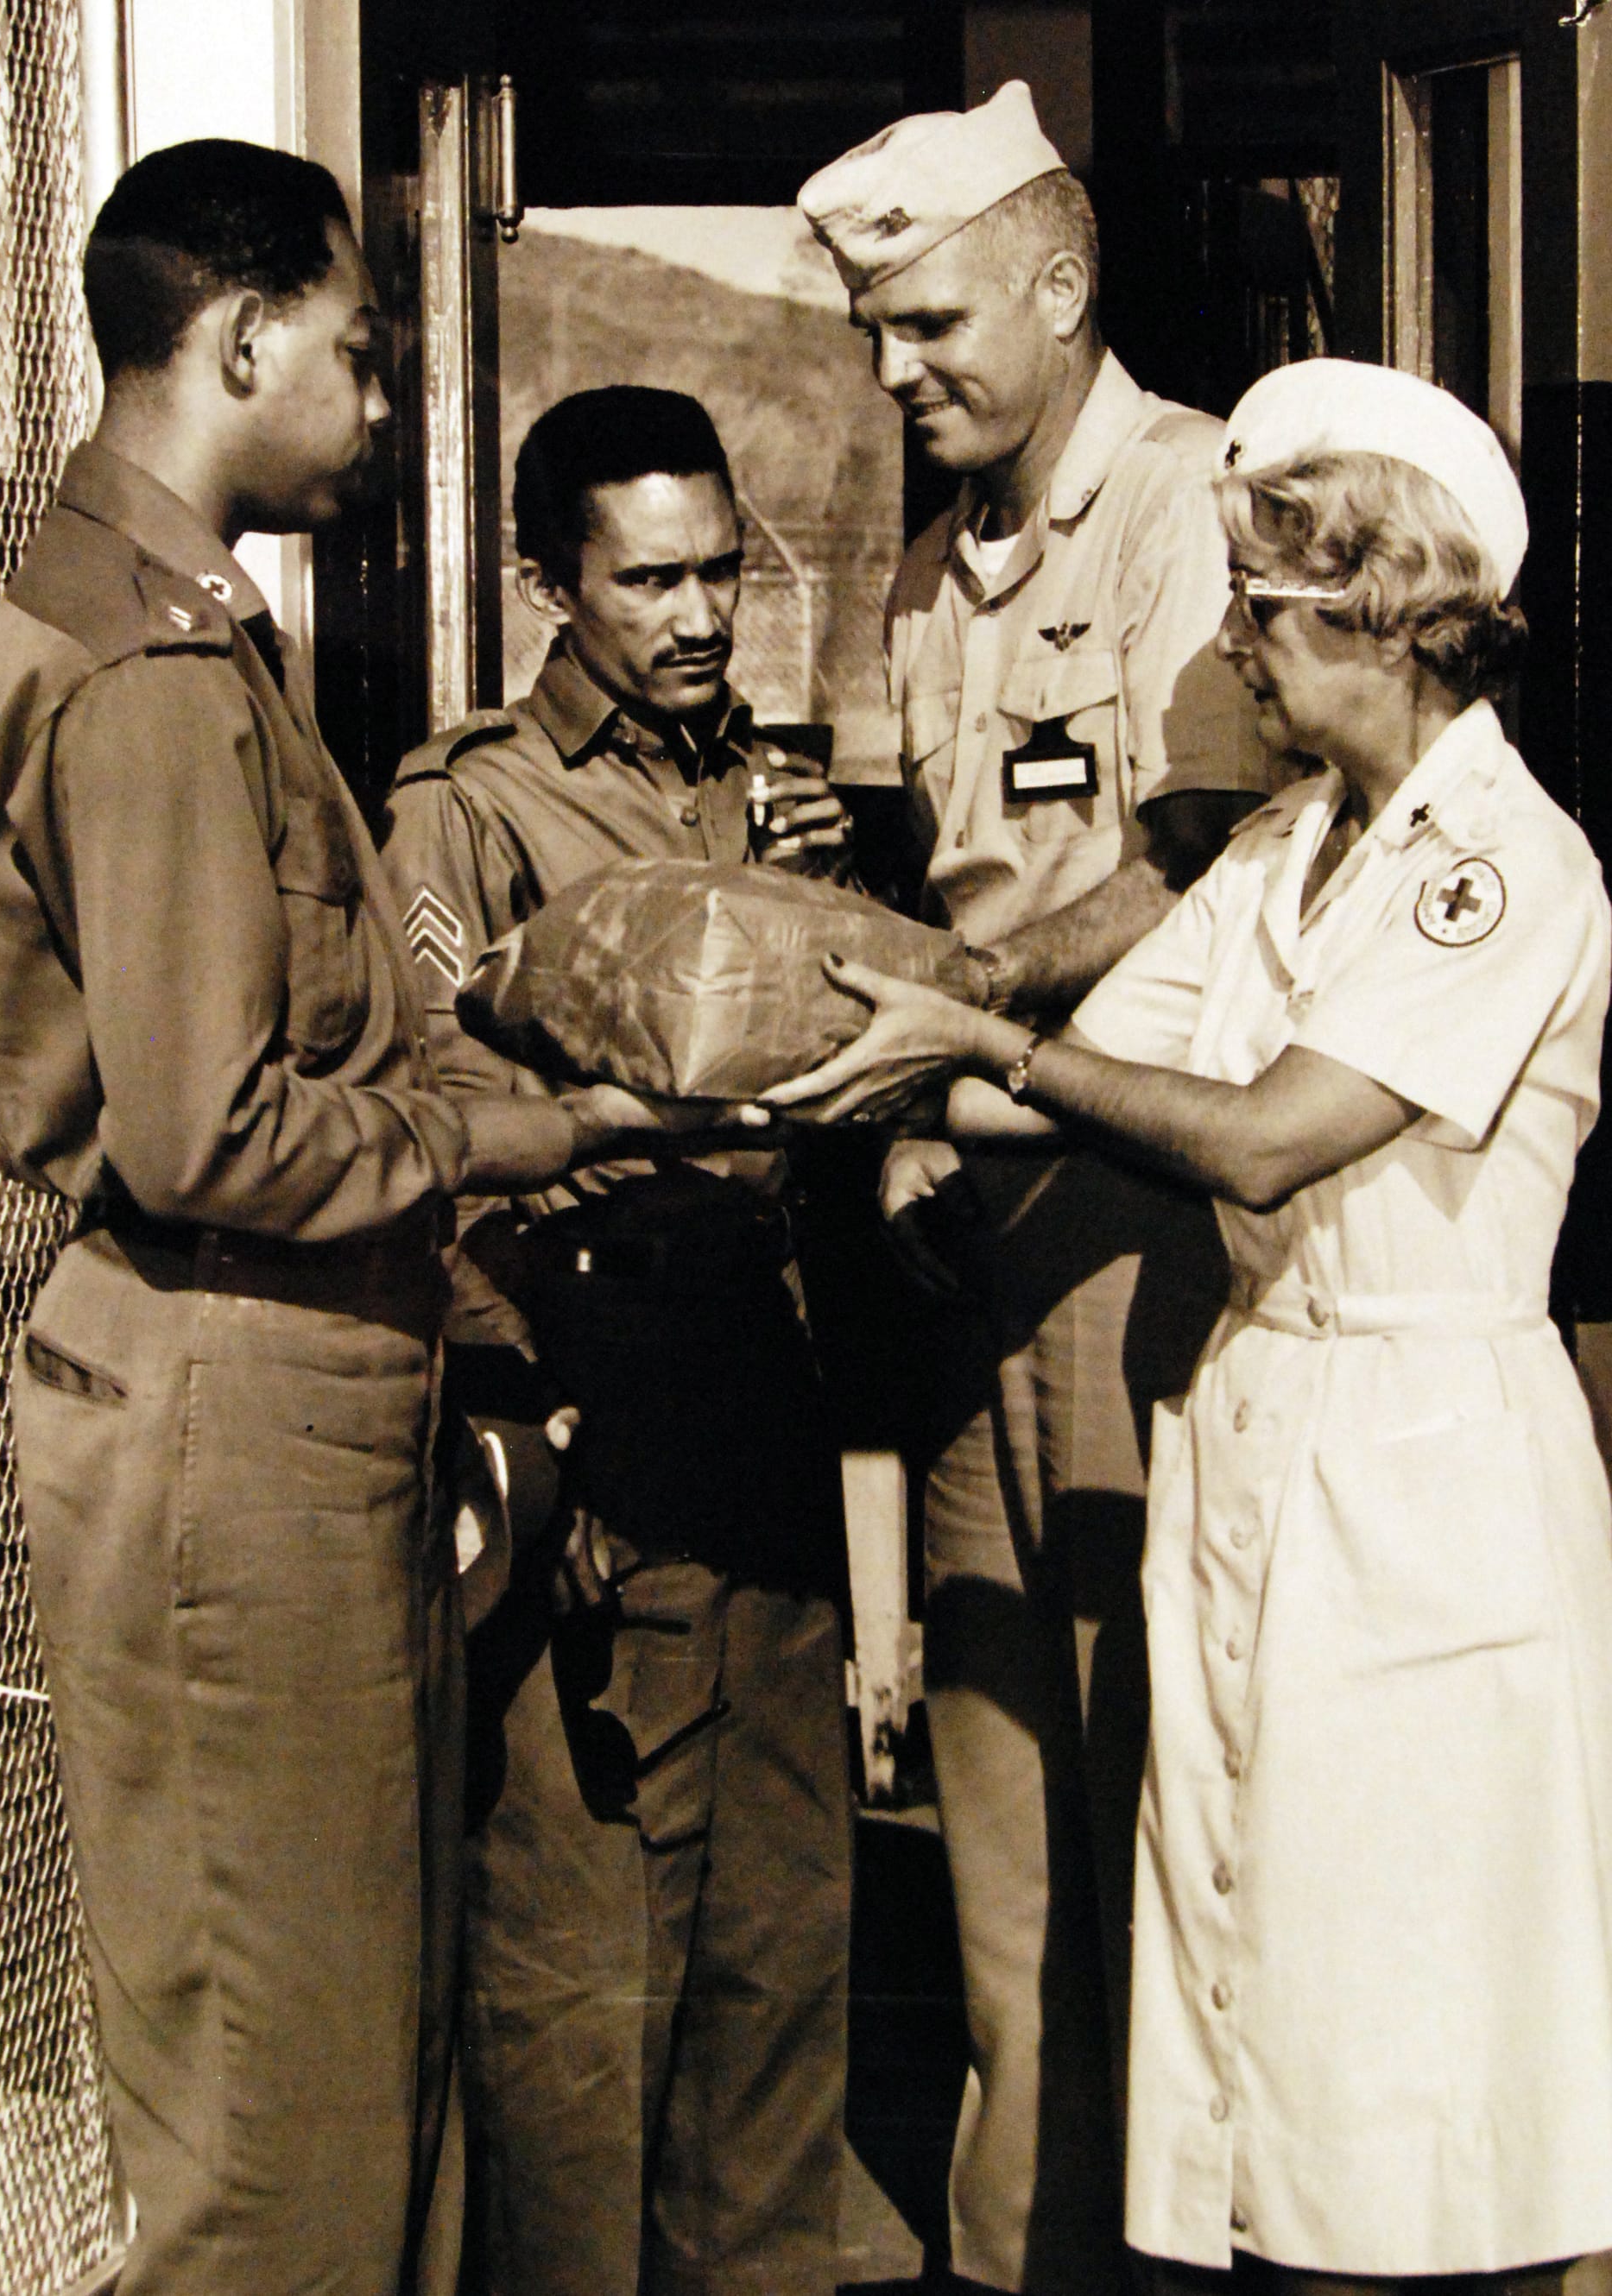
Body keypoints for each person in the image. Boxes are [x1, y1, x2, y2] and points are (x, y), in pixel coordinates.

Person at [768, 357, 1612, 2296]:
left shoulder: (1503, 871)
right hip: (1267, 1454)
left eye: (1273, 612)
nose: (1236, 645)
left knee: (1414, 2060)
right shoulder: (1279, 851)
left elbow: (1253, 1141)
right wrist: (819, 1059)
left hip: (1426, 1482)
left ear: (1398, 621)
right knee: (1280, 2011)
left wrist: (977, 1043)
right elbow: (1064, 1068)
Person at [0, 143, 686, 2296]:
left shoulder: (183, 622)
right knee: (285, 2127)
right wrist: (510, 1145)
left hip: (289, 1396)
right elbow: (204, 1136)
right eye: (357, 354)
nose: (376, 406)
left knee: (366, 2067)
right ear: (242, 335)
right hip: (223, 1396)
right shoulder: (155, 672)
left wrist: (517, 1091)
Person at [796, 78, 1281, 2293]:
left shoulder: (1204, 505)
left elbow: (1189, 857)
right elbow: (925, 865)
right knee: (999, 1842)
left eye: (932, 323)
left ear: (1063, 286)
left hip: (1146, 1239)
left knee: (1154, 1817)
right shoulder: (926, 567)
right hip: (981, 1231)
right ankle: (1021, 2259)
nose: (902, 373)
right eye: (878, 335)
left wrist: (967, 997)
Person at [377, 385, 854, 2296]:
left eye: (718, 568)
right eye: (646, 575)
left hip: (760, 1385)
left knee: (782, 1933)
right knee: (588, 1968)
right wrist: (515, 1408)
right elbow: (430, 1102)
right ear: (543, 582)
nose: (695, 612)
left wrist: (836, 893)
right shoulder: (466, 802)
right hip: (590, 1384)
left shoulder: (758, 774)